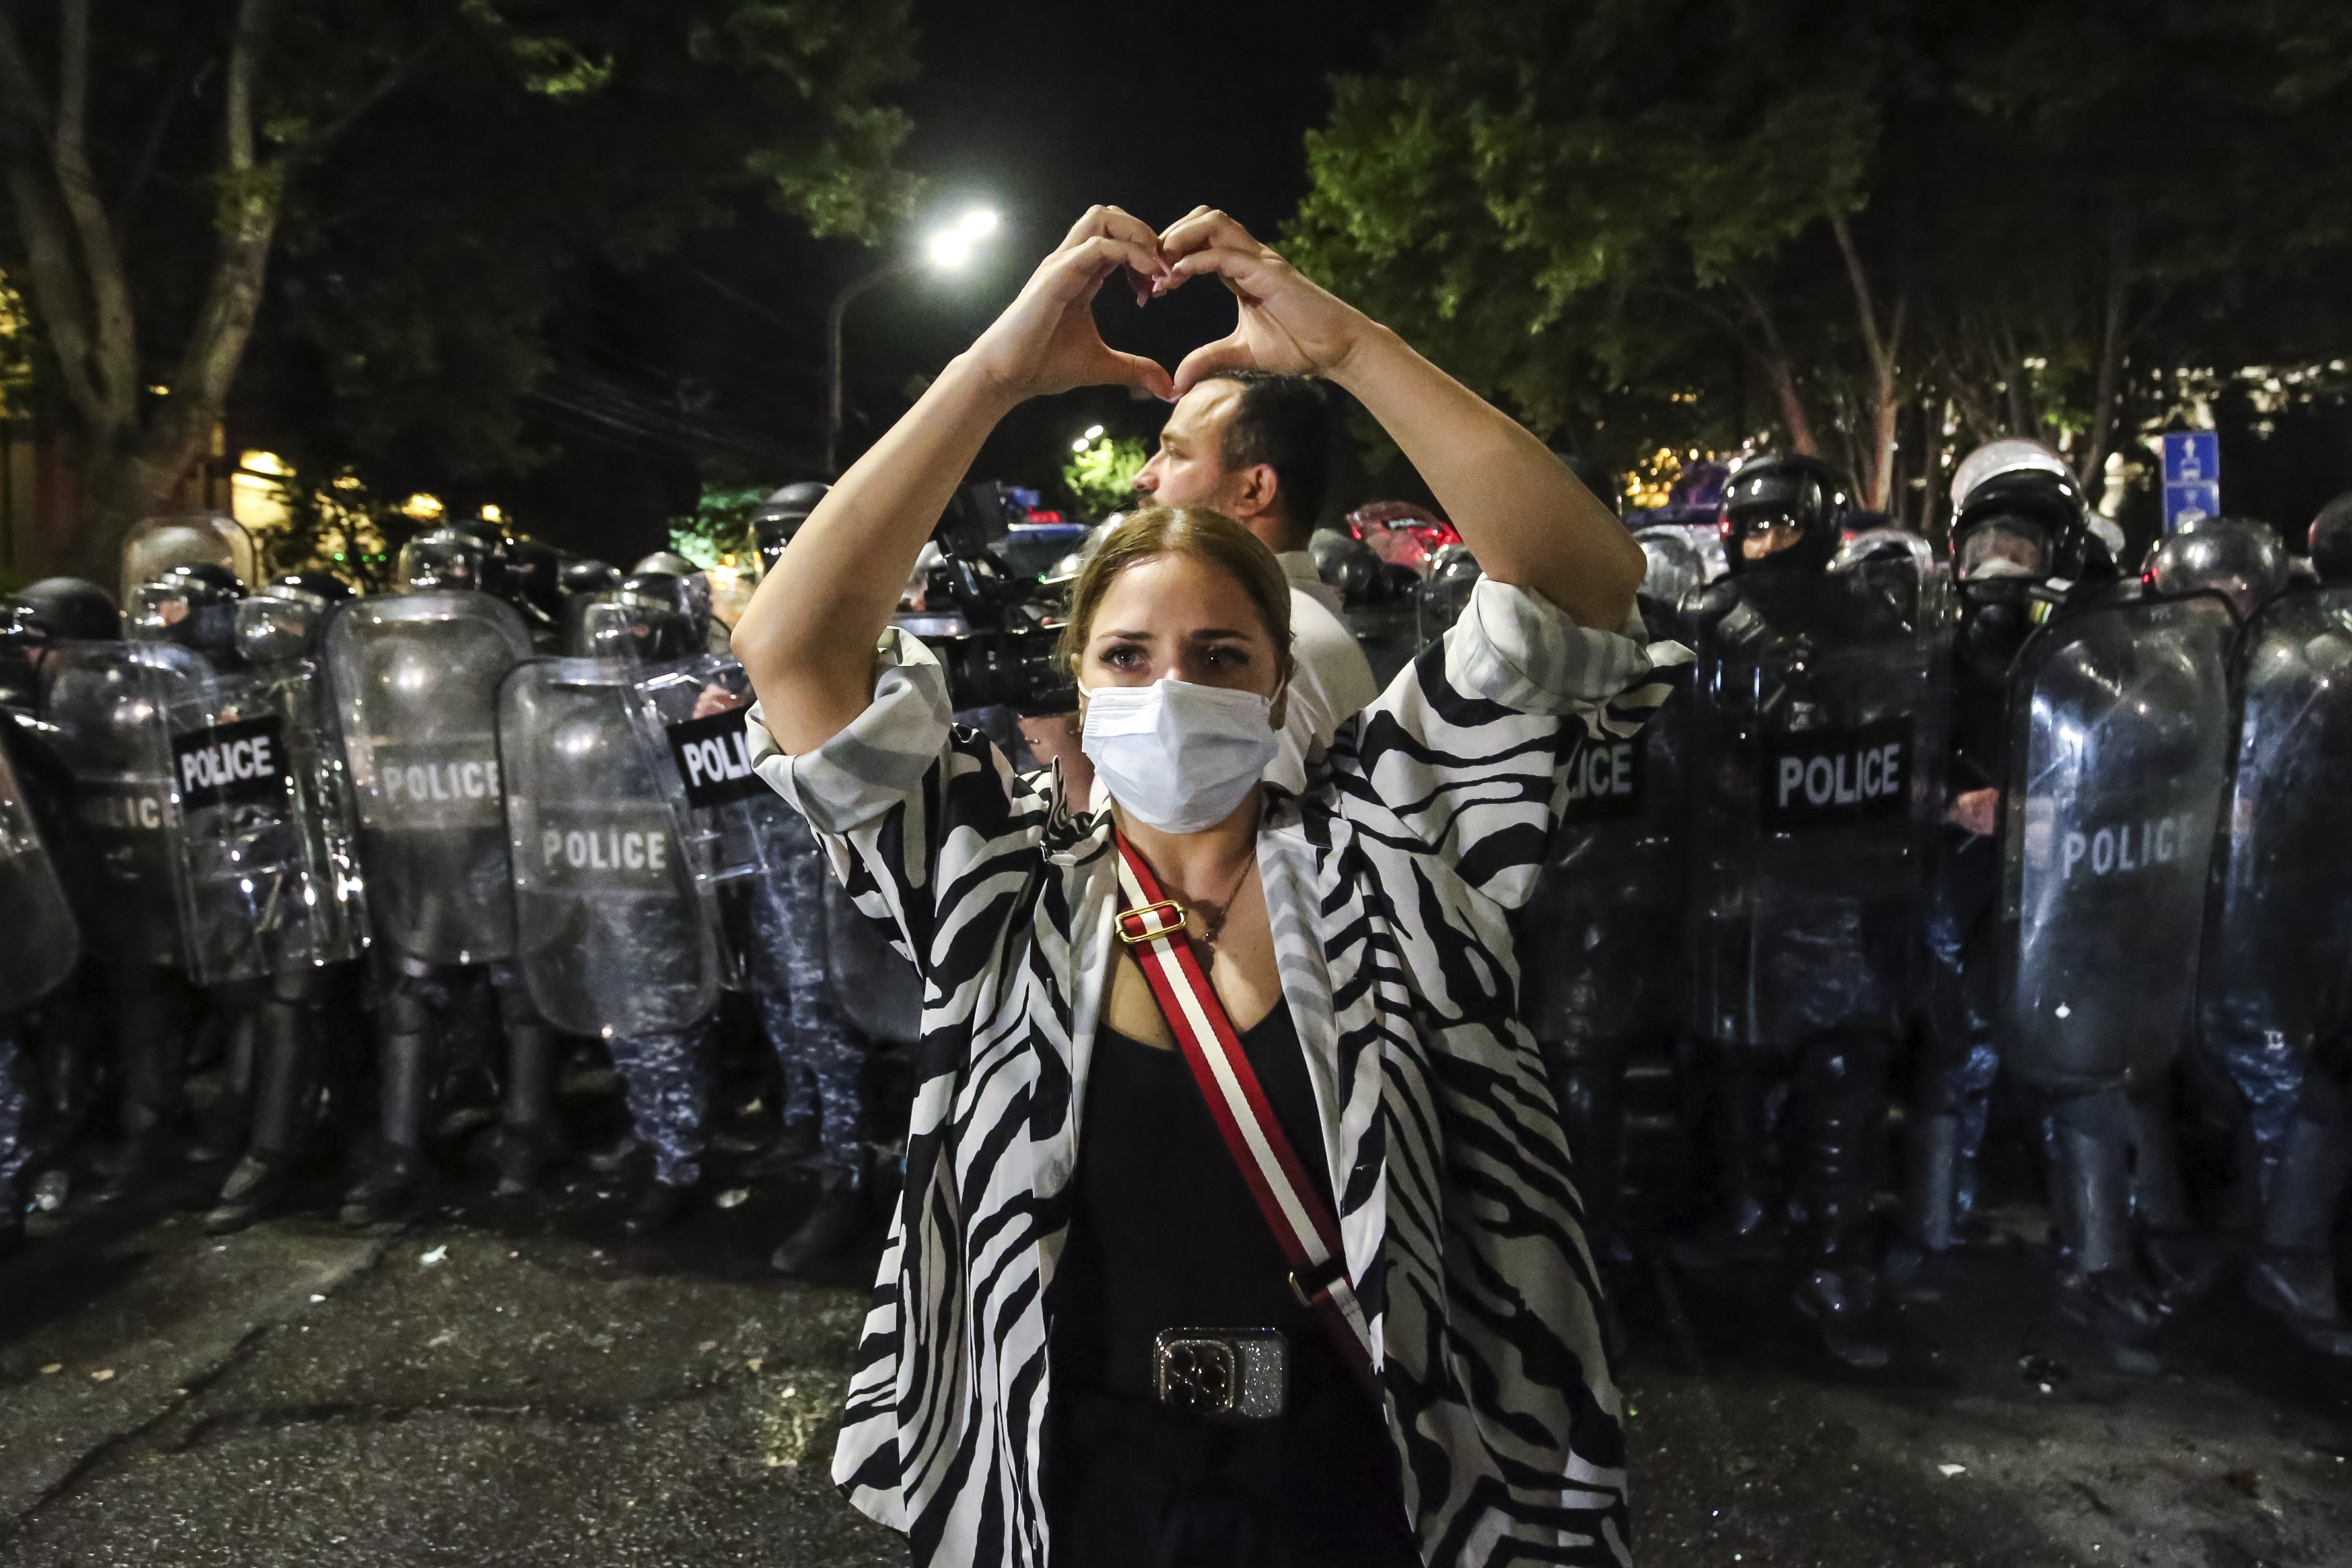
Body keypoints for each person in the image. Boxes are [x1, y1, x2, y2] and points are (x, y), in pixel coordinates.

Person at [733, 204, 1673, 1566]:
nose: (1171, 688)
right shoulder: (1005, 898)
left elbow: (1582, 585)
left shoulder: (1390, 856)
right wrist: (991, 372)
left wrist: (1344, 346)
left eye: (1219, 657)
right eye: (1125, 657)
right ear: (1078, 684)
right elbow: (796, 646)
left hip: (1373, 1479)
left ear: (1279, 682)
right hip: (1086, 1487)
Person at [1133, 365, 1379, 793]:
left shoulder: (1261, 650)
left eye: (1176, 454)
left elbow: (1245, 853)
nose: (1144, 476)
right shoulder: (1286, 624)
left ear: (1254, 490)